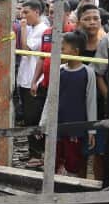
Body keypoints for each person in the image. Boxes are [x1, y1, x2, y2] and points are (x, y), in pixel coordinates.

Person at [40, 30, 96, 178]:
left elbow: (91, 102)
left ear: (75, 51)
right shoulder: (59, 71)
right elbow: (50, 98)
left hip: (76, 129)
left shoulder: (88, 73)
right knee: (54, 161)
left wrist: (91, 130)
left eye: (63, 48)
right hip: (57, 126)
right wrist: (44, 122)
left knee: (74, 163)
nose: (59, 51)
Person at [16, 0, 51, 167]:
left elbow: (25, 50)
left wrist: (22, 28)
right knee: (29, 118)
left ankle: (37, 155)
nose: (23, 16)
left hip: (33, 81)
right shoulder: (34, 28)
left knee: (34, 118)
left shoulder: (41, 29)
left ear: (37, 12)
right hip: (27, 79)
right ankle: (33, 153)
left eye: (26, 12)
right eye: (22, 12)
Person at [76, 3, 109, 178]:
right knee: (80, 151)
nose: (92, 22)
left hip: (101, 102)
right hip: (80, 103)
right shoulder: (74, 45)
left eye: (95, 18)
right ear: (79, 21)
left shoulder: (108, 44)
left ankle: (98, 188)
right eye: (87, 19)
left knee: (100, 151)